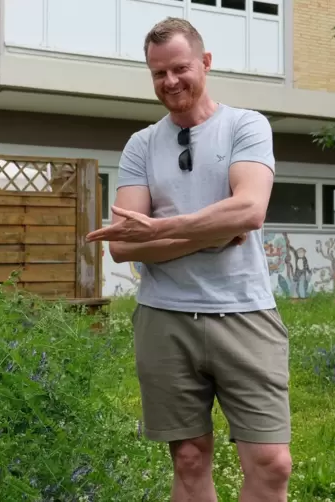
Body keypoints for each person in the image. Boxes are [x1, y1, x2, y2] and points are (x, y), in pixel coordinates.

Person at [85, 17, 292, 502]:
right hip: (165, 317)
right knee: (190, 457)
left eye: (179, 68)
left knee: (272, 463)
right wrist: (212, 235)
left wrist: (161, 230)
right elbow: (123, 244)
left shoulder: (246, 125)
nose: (170, 81)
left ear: (205, 62)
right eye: (158, 73)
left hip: (245, 313)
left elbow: (249, 209)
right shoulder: (141, 144)